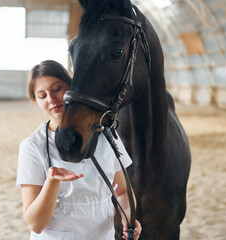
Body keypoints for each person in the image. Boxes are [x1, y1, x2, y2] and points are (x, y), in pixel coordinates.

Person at [16, 60, 141, 240]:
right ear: (36, 101)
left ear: (72, 87)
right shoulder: (32, 147)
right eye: (42, 96)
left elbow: (122, 191)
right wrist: (52, 181)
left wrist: (128, 216)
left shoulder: (107, 135)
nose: (51, 99)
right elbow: (35, 224)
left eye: (57, 89)